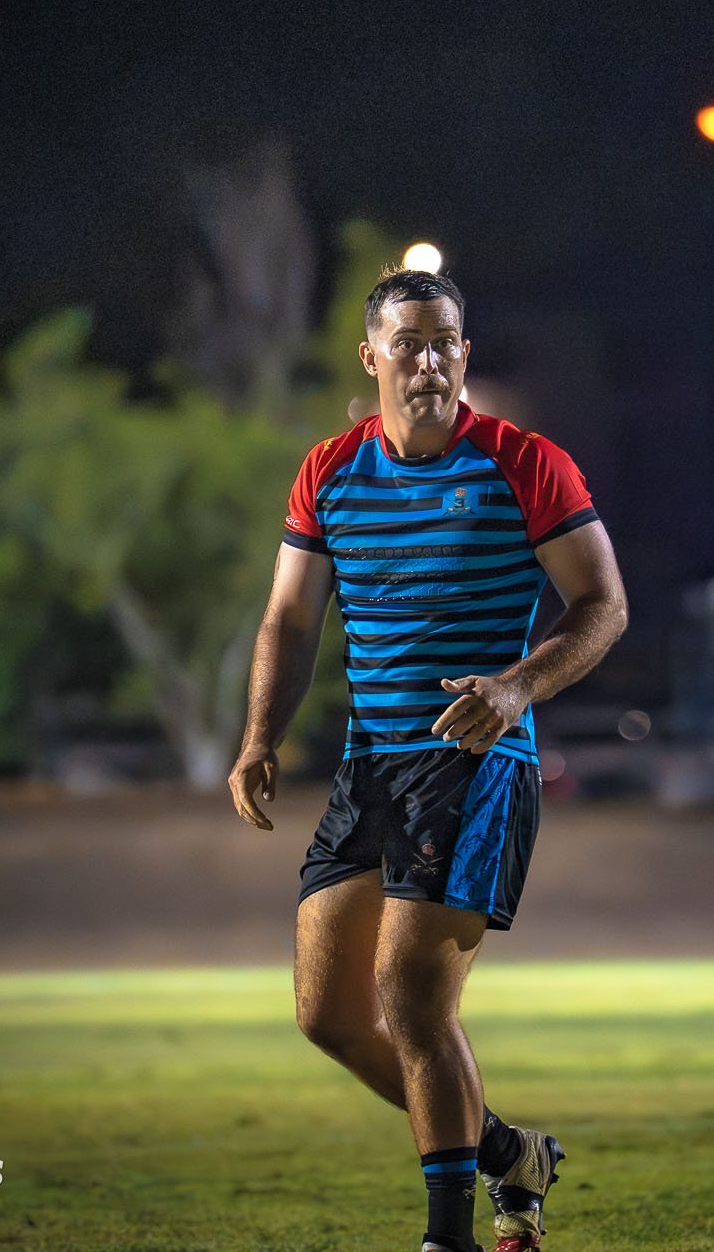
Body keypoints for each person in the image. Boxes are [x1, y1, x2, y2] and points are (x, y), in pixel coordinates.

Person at [228, 267, 628, 1252]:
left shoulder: (525, 465)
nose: (430, 359)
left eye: (445, 340)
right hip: (372, 772)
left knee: (410, 998)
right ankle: (508, 1154)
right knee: (326, 1015)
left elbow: (602, 605)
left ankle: (449, 1235)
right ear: (371, 360)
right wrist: (257, 740)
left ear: (464, 353)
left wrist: (517, 687)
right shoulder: (329, 471)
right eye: (407, 343)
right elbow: (288, 615)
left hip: (479, 770)